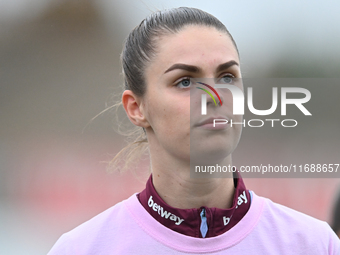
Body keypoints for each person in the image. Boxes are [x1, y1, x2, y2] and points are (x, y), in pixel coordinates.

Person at [48, 7, 340, 254]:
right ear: (137, 107)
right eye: (185, 81)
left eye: (227, 77)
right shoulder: (83, 248)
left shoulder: (313, 244)